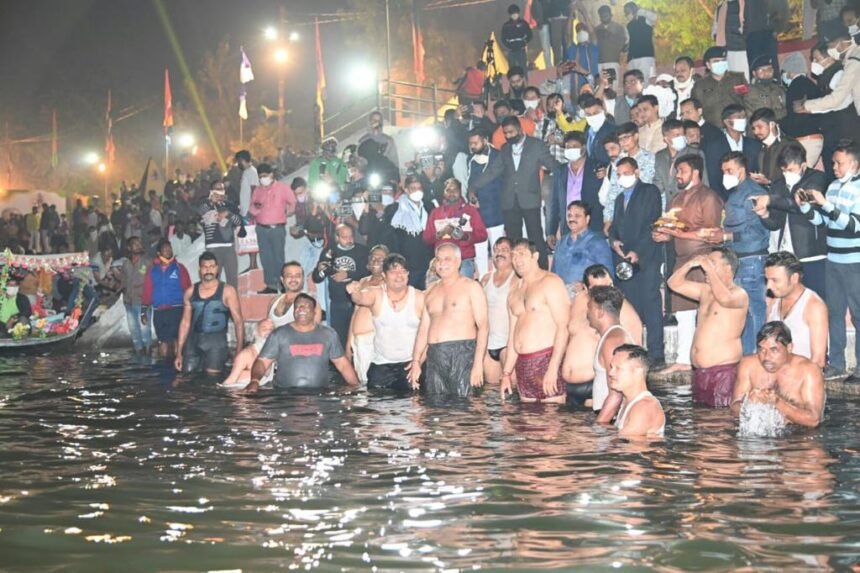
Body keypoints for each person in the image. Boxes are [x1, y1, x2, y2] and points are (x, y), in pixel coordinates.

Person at [653, 154, 724, 373]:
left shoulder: (708, 197)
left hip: (703, 261)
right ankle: (684, 359)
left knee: (704, 311)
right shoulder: (677, 199)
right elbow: (674, 229)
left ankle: (707, 358)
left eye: (682, 171)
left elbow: (713, 235)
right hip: (681, 260)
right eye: (676, 171)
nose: (677, 175)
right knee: (683, 313)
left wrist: (676, 233)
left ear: (695, 172)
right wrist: (664, 235)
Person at [798, 140, 860, 382]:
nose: (834, 167)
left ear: (854, 164)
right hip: (833, 259)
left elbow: (855, 225)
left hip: (855, 260)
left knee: (858, 314)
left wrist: (826, 205)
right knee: (834, 312)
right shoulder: (833, 187)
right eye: (833, 162)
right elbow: (824, 222)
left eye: (839, 163)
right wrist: (806, 208)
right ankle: (836, 363)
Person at [469, 116, 562, 269]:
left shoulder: (536, 145)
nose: (509, 136)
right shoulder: (505, 149)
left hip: (530, 199)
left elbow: (552, 165)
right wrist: (473, 187)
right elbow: (492, 172)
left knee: (536, 238)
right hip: (509, 201)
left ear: (520, 129)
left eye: (511, 132)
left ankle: (542, 271)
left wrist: (570, 170)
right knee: (513, 240)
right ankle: (516, 273)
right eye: (506, 133)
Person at [668, 248, 748, 407]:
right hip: (700, 373)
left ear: (728, 268)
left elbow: (724, 298)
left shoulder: (739, 294)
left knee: (719, 423)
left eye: (712, 263)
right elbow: (673, 283)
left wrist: (709, 269)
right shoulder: (705, 291)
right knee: (701, 422)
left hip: (723, 372)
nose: (705, 268)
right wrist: (691, 263)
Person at [408, 244, 489, 397]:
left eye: (447, 259)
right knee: (437, 410)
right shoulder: (430, 291)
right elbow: (423, 330)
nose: (441, 263)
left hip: (462, 354)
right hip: (435, 356)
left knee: (464, 411)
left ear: (458, 262)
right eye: (438, 259)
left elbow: (483, 326)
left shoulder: (471, 287)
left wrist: (478, 364)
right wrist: (416, 361)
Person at [609, 157, 665, 367]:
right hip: (624, 259)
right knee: (631, 305)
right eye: (620, 174)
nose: (623, 177)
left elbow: (652, 223)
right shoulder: (618, 199)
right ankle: (635, 350)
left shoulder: (649, 192)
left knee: (650, 303)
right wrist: (614, 241)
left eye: (627, 172)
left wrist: (637, 251)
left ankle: (656, 353)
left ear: (637, 171)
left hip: (646, 256)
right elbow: (614, 226)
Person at [751, 143, 828, 295]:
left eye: (791, 170)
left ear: (804, 165)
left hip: (811, 253)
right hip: (786, 255)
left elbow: (799, 205)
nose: (787, 174)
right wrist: (764, 214)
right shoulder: (779, 184)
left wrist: (771, 200)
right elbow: (776, 223)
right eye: (784, 170)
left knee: (816, 299)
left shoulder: (816, 179)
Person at [499, 239, 570, 403]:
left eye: (522, 254)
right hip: (523, 365)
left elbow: (563, 327)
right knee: (527, 423)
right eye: (514, 255)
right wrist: (507, 373)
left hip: (546, 359)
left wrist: (553, 368)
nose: (517, 260)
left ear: (535, 256)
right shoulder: (513, 292)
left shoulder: (550, 282)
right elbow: (512, 337)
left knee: (551, 420)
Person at [243, 294, 359, 393]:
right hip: (285, 395)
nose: (301, 309)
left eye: (306, 306)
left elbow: (342, 364)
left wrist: (357, 388)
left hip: (320, 396)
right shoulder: (279, 334)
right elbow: (262, 362)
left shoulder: (328, 334)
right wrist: (254, 381)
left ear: (314, 312)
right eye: (297, 306)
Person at [719, 151, 774, 355]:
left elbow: (755, 231)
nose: (725, 174)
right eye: (724, 171)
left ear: (741, 170)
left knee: (754, 310)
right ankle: (747, 354)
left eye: (729, 170)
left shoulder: (752, 193)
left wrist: (726, 237)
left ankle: (756, 354)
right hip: (740, 258)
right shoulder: (736, 192)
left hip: (751, 258)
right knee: (744, 311)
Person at [348, 253, 424, 392]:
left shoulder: (419, 297)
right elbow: (359, 298)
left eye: (402, 271)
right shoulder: (376, 293)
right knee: (375, 408)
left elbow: (428, 334)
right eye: (393, 272)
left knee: (413, 408)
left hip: (410, 365)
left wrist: (418, 362)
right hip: (381, 365)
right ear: (384, 275)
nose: (398, 275)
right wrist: (355, 291)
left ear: (408, 274)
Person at [732, 321, 825, 428]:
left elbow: (813, 420)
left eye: (774, 350)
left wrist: (776, 402)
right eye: (762, 350)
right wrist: (748, 403)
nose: (766, 357)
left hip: (798, 436)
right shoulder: (748, 364)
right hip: (761, 433)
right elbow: (734, 408)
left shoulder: (809, 370)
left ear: (789, 348)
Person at [175, 251, 244, 376]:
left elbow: (238, 321)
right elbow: (185, 323)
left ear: (217, 269)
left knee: (212, 382)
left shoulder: (228, 291)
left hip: (216, 344)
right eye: (205, 267)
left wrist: (239, 350)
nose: (208, 270)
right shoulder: (190, 292)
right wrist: (179, 351)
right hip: (193, 342)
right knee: (186, 379)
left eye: (212, 266)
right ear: (199, 269)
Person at [763, 252, 828, 368]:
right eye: (767, 279)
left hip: (802, 378)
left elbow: (818, 361)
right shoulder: (774, 302)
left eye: (775, 280)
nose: (769, 286)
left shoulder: (814, 306)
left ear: (794, 278)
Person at [313, 224, 369, 347]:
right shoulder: (330, 251)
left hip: (358, 303)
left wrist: (347, 273)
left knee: (359, 338)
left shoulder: (362, 251)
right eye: (345, 237)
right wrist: (321, 270)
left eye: (351, 237)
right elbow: (317, 278)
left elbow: (368, 272)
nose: (349, 240)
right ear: (337, 237)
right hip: (337, 303)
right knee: (338, 339)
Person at [423, 178, 488, 279]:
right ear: (443, 192)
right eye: (448, 190)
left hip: (464, 260)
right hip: (442, 262)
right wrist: (440, 234)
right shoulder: (435, 213)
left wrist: (465, 236)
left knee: (463, 294)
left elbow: (483, 235)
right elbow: (426, 239)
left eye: (455, 190)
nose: (452, 193)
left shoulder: (470, 210)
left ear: (460, 191)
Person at [587, 285, 635, 421]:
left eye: (589, 307)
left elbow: (616, 394)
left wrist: (599, 425)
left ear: (600, 312)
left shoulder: (612, 341)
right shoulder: (614, 336)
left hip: (610, 419)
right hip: (610, 416)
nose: (587, 313)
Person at [547, 131, 605, 244]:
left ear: (583, 148)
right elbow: (554, 203)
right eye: (568, 147)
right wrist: (551, 231)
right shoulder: (560, 171)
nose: (570, 149)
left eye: (574, 146)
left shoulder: (598, 168)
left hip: (592, 226)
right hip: (568, 227)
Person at [248, 163, 297, 294]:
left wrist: (288, 212)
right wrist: (256, 208)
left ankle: (282, 284)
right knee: (265, 257)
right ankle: (270, 285)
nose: (263, 179)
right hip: (261, 228)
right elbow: (252, 208)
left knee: (278, 257)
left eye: (265, 176)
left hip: (277, 228)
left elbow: (293, 202)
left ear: (271, 175)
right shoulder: (258, 190)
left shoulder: (282, 188)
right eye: (260, 177)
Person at [464, 130, 505, 278]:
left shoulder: (498, 156)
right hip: (478, 214)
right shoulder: (471, 160)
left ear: (485, 139)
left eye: (476, 142)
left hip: (495, 211)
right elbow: (469, 183)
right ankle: (482, 280)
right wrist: (471, 196)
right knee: (479, 251)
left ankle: (500, 279)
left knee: (498, 251)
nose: (473, 146)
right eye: (471, 143)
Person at [345, 245, 388, 384]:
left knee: (374, 382)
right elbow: (355, 312)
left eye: (380, 258)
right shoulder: (363, 281)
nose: (376, 261)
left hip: (375, 341)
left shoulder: (390, 283)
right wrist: (348, 344)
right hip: (359, 341)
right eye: (373, 257)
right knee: (361, 382)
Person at [141, 239, 191, 358]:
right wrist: (143, 311)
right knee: (162, 340)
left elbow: (188, 288)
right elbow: (147, 290)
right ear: (158, 253)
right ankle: (163, 367)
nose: (168, 251)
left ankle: (178, 365)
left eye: (170, 249)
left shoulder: (179, 268)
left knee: (176, 339)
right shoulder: (152, 270)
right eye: (165, 249)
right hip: (159, 310)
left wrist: (190, 307)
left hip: (176, 308)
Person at [607, 344, 666, 436]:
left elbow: (623, 447)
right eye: (611, 367)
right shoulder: (628, 401)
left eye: (618, 368)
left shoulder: (644, 407)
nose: (611, 373)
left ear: (637, 371)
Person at [551, 200, 613, 288]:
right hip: (559, 294)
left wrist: (585, 286)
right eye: (569, 216)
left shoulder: (597, 243)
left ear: (587, 219)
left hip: (585, 295)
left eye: (577, 216)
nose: (572, 219)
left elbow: (608, 276)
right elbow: (553, 272)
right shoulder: (561, 242)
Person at [604, 122, 656, 227]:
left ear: (636, 136)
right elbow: (613, 191)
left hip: (643, 213)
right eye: (620, 139)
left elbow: (656, 189)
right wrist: (608, 218)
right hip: (621, 213)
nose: (623, 142)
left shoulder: (650, 159)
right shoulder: (618, 162)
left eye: (626, 137)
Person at [389, 175, 434, 289]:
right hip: (407, 263)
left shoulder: (429, 206)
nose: (417, 191)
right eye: (413, 188)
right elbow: (393, 238)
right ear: (406, 190)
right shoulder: (396, 209)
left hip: (427, 261)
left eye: (419, 188)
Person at [480, 238, 515, 385]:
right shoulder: (486, 279)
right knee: (492, 394)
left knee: (512, 395)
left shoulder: (518, 279)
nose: (499, 253)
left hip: (508, 344)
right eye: (496, 250)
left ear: (513, 254)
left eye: (504, 250)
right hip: (488, 344)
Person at [198, 181, 242, 288]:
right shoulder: (205, 203)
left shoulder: (229, 205)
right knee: (213, 279)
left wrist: (228, 213)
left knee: (232, 280)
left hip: (229, 246)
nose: (219, 191)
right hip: (213, 247)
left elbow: (238, 221)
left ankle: (232, 303)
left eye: (221, 189)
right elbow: (201, 211)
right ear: (211, 191)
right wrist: (211, 203)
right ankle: (215, 303)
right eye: (216, 188)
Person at [691, 47, 748, 130]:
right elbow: (695, 110)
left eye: (723, 60)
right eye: (716, 61)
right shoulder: (700, 86)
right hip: (713, 130)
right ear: (708, 65)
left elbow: (747, 101)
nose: (721, 63)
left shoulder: (738, 79)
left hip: (737, 128)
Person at [119, 237, 152, 356]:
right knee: (134, 331)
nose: (138, 246)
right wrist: (123, 291)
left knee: (144, 331)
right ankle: (139, 356)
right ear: (129, 248)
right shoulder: (125, 263)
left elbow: (152, 282)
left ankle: (148, 357)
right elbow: (123, 281)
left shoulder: (147, 262)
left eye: (139, 243)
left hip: (142, 301)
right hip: (129, 301)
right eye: (135, 244)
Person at [268, 261, 322, 328]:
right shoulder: (274, 301)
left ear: (302, 279)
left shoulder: (311, 302)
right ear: (282, 279)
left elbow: (314, 333)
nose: (293, 279)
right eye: (289, 275)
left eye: (297, 276)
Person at [749, 107, 795, 186]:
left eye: (760, 127)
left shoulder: (789, 146)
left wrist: (769, 183)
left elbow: (794, 179)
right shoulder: (759, 147)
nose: (756, 132)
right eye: (753, 128)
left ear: (772, 124)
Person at [595, 4, 628, 92]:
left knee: (613, 89)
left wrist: (610, 35)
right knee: (600, 89)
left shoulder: (619, 28)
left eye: (606, 15)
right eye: (602, 16)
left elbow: (622, 44)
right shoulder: (597, 29)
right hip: (599, 63)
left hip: (613, 61)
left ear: (611, 15)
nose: (604, 18)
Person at [744, 56, 787, 120]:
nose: (766, 73)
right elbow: (753, 116)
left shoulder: (779, 89)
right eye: (762, 70)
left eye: (769, 70)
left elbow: (787, 110)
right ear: (754, 73)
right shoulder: (749, 91)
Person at [623, 2, 657, 80]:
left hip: (645, 56)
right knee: (632, 81)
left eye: (627, 12)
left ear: (633, 10)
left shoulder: (646, 20)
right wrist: (624, 48)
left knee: (644, 81)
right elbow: (629, 41)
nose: (626, 14)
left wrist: (640, 11)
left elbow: (654, 17)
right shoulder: (629, 25)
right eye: (625, 13)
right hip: (632, 58)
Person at [582, 95, 617, 165]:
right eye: (588, 114)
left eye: (595, 113)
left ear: (603, 110)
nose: (592, 117)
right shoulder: (587, 130)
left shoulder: (613, 130)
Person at [500, 4, 532, 73]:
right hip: (511, 51)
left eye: (515, 13)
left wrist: (524, 42)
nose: (514, 15)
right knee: (512, 70)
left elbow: (529, 34)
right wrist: (508, 45)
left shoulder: (523, 24)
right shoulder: (506, 26)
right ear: (510, 15)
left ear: (518, 13)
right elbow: (503, 39)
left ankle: (525, 83)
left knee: (523, 69)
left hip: (521, 50)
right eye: (512, 14)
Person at [235, 150, 259, 219]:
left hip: (249, 212)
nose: (238, 164)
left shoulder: (251, 172)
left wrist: (252, 210)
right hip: (245, 211)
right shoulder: (246, 172)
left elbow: (255, 191)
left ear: (242, 160)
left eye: (238, 161)